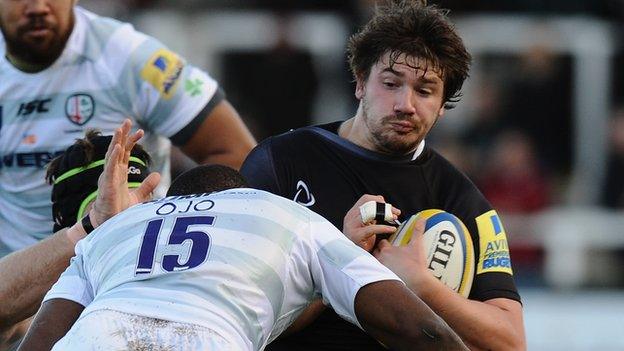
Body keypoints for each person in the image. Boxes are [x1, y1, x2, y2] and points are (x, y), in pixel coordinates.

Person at [241, 1, 525, 350]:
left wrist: (422, 286)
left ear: (442, 106)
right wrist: (341, 258)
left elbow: (510, 341)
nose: (405, 103)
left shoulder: (462, 201)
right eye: (390, 83)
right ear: (360, 83)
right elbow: (237, 311)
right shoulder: (279, 162)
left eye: (425, 91)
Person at [18, 147, 469, 350]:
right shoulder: (288, 215)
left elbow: (40, 342)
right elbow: (417, 330)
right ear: (245, 195)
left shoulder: (118, 228)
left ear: (172, 204)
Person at [0, 0, 256, 258]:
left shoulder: (129, 57)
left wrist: (174, 231)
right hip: (19, 282)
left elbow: (238, 155)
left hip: (125, 279)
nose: (37, 7)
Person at [0, 121, 160, 349]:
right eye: (115, 211)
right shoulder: (42, 302)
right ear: (70, 223)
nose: (131, 224)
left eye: (143, 206)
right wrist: (94, 225)